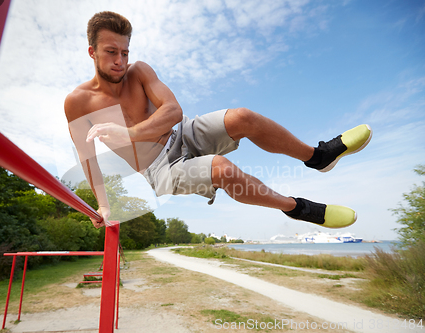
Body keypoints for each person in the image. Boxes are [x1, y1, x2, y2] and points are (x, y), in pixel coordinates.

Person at [65, 11, 372, 229]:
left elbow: (172, 110)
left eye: (125, 52)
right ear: (92, 52)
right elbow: (87, 158)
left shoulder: (140, 71)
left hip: (181, 132)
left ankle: (317, 157)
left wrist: (128, 134)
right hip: (157, 168)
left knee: (243, 117)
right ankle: (299, 208)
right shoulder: (78, 103)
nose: (120, 61)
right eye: (110, 52)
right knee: (222, 169)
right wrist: (103, 205)